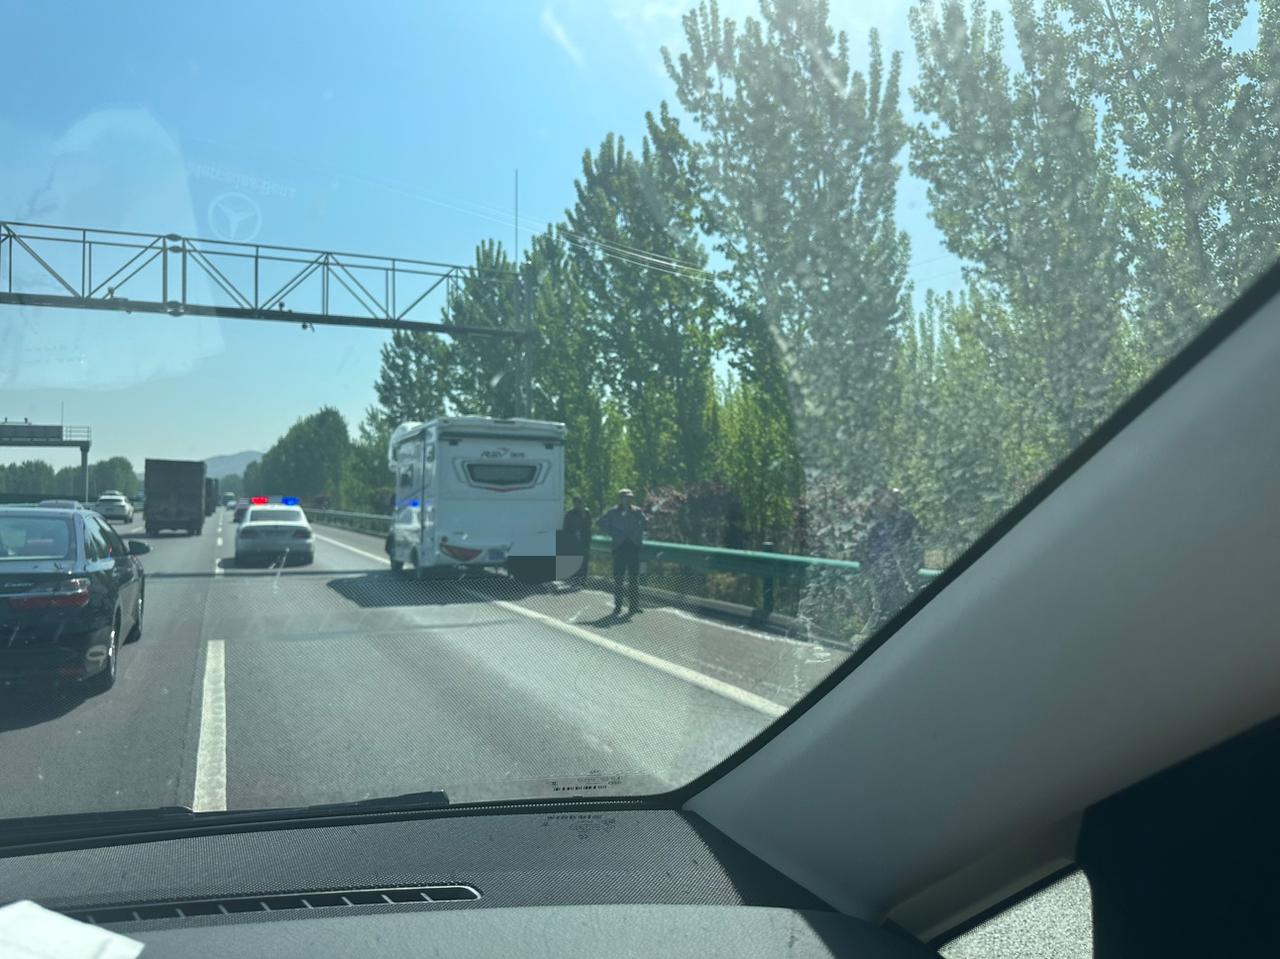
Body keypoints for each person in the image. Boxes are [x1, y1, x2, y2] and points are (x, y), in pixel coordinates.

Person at [863, 486, 924, 620]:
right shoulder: (871, 518)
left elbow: (918, 538)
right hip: (880, 567)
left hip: (904, 565)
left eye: (888, 496)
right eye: (881, 497)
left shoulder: (904, 515)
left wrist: (917, 561)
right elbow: (866, 542)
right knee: (882, 603)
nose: (887, 499)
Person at [598, 487, 646, 615]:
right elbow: (601, 522)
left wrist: (637, 533)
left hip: (633, 547)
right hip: (619, 548)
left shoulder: (637, 511)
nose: (628, 500)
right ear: (621, 499)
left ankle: (634, 606)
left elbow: (645, 522)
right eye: (626, 497)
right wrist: (613, 533)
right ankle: (618, 606)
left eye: (630, 498)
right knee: (619, 579)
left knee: (634, 579)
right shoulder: (613, 512)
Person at [562, 496, 593, 586]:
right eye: (575, 503)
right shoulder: (570, 514)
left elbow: (589, 525)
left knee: (584, 561)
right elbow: (566, 527)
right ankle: (572, 580)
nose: (577, 505)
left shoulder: (586, 513)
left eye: (579, 503)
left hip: (584, 541)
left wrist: (583, 514)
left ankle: (582, 581)